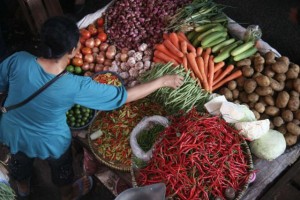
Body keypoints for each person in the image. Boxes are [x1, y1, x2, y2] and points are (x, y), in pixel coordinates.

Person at [0, 16, 183, 200]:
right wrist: (163, 81)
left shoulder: (19, 59)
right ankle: (68, 194)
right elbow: (123, 96)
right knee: (62, 170)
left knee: (19, 161)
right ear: (72, 50)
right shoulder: (74, 85)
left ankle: (22, 188)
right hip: (50, 141)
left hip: (11, 130)